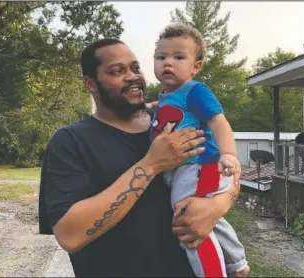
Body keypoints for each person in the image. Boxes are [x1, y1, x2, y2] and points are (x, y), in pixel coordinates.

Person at [38, 38, 243, 277]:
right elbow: (70, 235)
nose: (132, 76)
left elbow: (229, 172)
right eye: (117, 71)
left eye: (136, 68)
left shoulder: (173, 121)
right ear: (90, 83)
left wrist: (218, 204)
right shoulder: (70, 142)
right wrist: (152, 164)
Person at [149, 23, 249, 277]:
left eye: (178, 57)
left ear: (196, 66)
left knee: (187, 221)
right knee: (206, 218)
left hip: (198, 165)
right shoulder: (166, 96)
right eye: (161, 57)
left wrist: (228, 154)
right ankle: (237, 263)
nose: (167, 63)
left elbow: (219, 121)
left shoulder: (195, 91)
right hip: (182, 170)